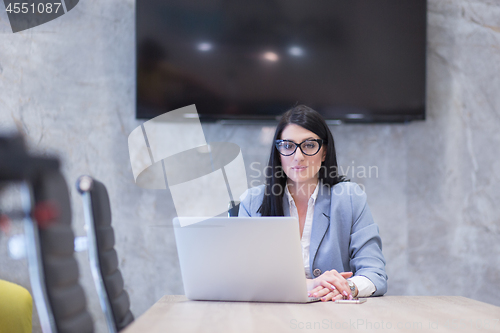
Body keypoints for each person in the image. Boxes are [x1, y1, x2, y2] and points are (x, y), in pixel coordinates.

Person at [239, 105, 387, 302]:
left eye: (309, 145)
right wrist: (311, 284)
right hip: (271, 315)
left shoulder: (350, 198)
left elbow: (375, 273)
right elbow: (243, 277)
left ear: (324, 152)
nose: (298, 156)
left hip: (334, 314)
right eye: (288, 145)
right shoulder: (252, 201)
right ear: (278, 152)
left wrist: (347, 288)